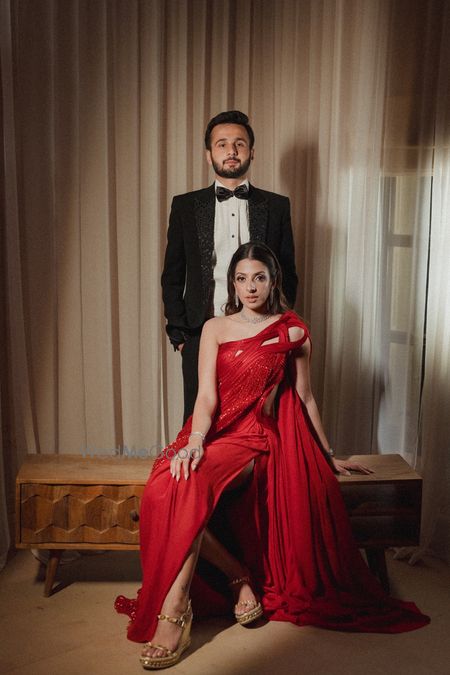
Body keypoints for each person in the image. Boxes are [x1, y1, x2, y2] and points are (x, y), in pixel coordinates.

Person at [116, 242, 430, 670]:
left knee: (188, 487)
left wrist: (329, 453)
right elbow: (206, 396)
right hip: (208, 432)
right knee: (165, 488)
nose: (250, 287)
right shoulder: (214, 328)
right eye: (242, 278)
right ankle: (237, 575)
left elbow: (305, 397)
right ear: (232, 282)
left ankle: (175, 611)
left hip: (251, 438)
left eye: (259, 277)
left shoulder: (292, 330)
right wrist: (195, 441)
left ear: (273, 280)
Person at [161, 110, 298, 422]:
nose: (231, 150)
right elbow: (172, 274)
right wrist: (181, 336)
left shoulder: (276, 207)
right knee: (197, 423)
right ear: (209, 155)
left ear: (251, 151)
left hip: (260, 333)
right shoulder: (185, 206)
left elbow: (288, 272)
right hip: (200, 332)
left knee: (259, 422)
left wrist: (276, 327)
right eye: (222, 144)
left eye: (239, 143)